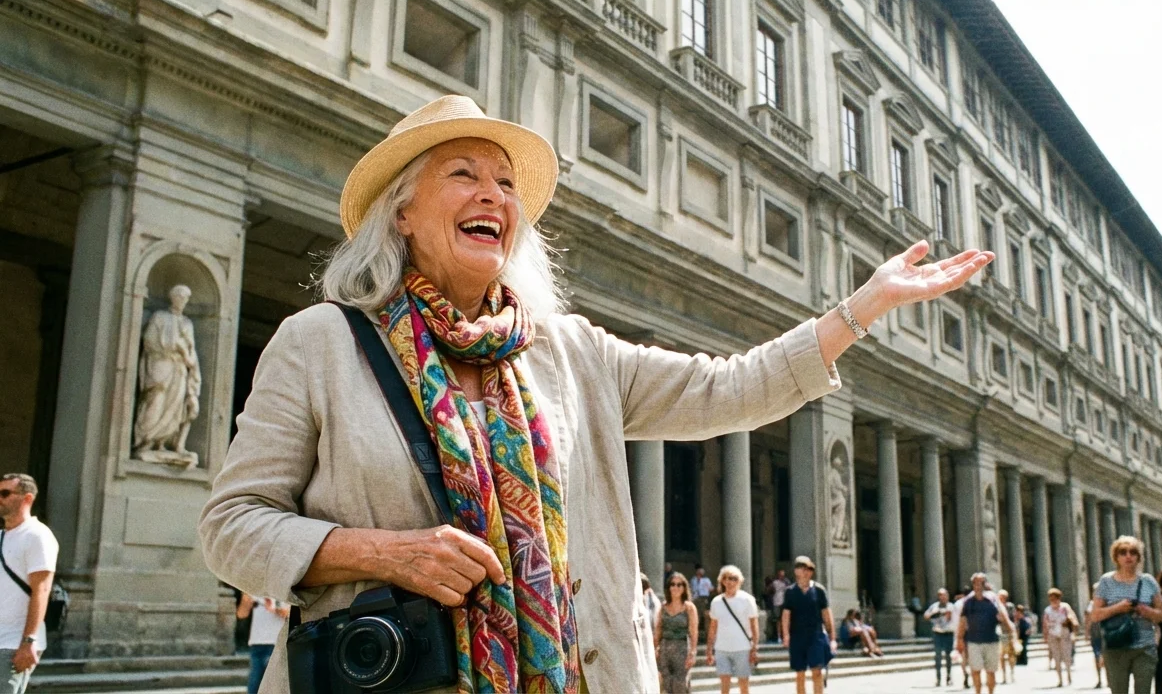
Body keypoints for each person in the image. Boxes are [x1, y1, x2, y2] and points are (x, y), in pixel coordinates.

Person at [195, 95, 997, 692]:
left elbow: (734, 388)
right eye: (463, 174)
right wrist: (383, 553)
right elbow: (231, 527)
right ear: (401, 210)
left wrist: (864, 308)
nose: (493, 195)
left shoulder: (572, 354)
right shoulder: (321, 342)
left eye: (507, 184)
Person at [0, 474, 57, 694]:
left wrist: (29, 641)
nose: (0, 498)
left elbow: (41, 591)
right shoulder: (2, 537)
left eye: (5, 493)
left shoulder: (37, 535)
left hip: (14, 642)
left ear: (27, 498)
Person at [1088, 535, 1162, 694]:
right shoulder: (1106, 581)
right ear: (1116, 557)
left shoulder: (1148, 581)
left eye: (1133, 552)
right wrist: (1118, 608)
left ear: (1139, 557)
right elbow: (1095, 615)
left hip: (1144, 647)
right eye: (1123, 552)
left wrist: (1145, 610)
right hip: (1116, 646)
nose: (1128, 556)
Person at [781, 556, 835, 694]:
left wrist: (832, 638)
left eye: (809, 569)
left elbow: (827, 615)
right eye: (802, 568)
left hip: (815, 636)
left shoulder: (819, 590)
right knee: (800, 674)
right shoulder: (790, 592)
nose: (806, 572)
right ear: (796, 571)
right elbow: (786, 615)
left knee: (817, 672)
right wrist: (786, 635)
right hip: (797, 637)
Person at [955, 572, 1016, 694]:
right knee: (975, 670)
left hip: (991, 640)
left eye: (981, 583)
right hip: (974, 641)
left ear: (985, 584)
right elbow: (962, 622)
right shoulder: (968, 602)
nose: (978, 585)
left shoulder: (993, 600)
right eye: (975, 583)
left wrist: (1012, 634)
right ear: (972, 585)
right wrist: (959, 640)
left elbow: (1004, 618)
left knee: (990, 671)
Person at [706, 565, 758, 694]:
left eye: (733, 578)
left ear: (739, 581)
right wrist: (709, 649)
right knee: (724, 684)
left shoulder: (747, 600)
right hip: (722, 649)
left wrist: (755, 648)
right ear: (722, 581)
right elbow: (713, 628)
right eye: (726, 578)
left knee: (743, 684)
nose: (729, 582)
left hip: (742, 648)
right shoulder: (716, 602)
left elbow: (754, 626)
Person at [235, 594, 289, 694]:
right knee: (254, 688)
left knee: (275, 687)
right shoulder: (255, 590)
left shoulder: (283, 589)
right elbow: (241, 614)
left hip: (277, 644)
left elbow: (290, 613)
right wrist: (245, 601)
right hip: (257, 644)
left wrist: (275, 608)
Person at [655, 572, 697, 694]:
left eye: (679, 585)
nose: (676, 587)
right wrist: (655, 647)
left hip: (682, 648)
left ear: (684, 588)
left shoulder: (689, 607)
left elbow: (693, 632)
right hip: (665, 649)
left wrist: (693, 652)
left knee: (680, 685)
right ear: (668, 587)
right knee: (666, 685)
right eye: (672, 584)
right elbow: (658, 629)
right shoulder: (663, 607)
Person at [1043, 587, 1077, 687]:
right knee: (1056, 657)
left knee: (1066, 656)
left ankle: (1069, 676)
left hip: (1064, 632)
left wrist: (1073, 632)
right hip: (1052, 635)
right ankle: (1060, 680)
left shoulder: (1065, 607)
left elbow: (1072, 618)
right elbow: (1045, 623)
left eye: (1054, 598)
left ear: (1059, 598)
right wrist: (1045, 637)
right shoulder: (1047, 610)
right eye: (1051, 599)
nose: (1053, 601)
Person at [923, 588, 958, 686]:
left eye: (944, 595)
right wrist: (934, 614)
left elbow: (956, 619)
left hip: (948, 633)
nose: (943, 597)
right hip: (938, 633)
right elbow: (926, 616)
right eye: (940, 595)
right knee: (937, 656)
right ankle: (938, 678)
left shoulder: (952, 607)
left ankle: (949, 677)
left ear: (947, 596)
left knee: (948, 656)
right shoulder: (934, 606)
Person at [1087, 583, 1106, 689]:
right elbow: (1088, 619)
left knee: (1106, 658)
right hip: (1095, 634)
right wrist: (1087, 632)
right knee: (1096, 657)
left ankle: (1108, 679)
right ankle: (1099, 679)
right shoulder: (1091, 605)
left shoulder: (1107, 603)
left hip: (1106, 634)